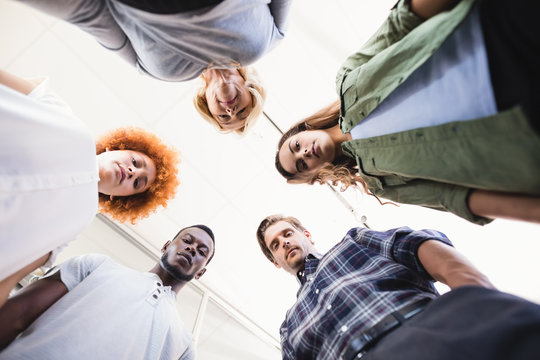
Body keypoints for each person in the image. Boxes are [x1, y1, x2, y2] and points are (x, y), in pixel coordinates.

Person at [274, 0, 540, 225]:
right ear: (313, 175)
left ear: (306, 129)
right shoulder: (382, 183)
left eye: (296, 146)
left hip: (496, 30)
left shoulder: (347, 81)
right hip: (522, 130)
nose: (304, 153)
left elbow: (404, 22)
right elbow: (454, 197)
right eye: (301, 164)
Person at [0, 69, 180, 307]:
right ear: (117, 147)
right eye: (136, 162)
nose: (132, 172)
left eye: (138, 183)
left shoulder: (77, 219)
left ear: (122, 197)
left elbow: (10, 275)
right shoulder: (64, 119)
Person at [256, 214, 540, 359]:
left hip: (435, 330)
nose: (285, 244)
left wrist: (478, 298)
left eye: (288, 234)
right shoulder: (289, 327)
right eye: (276, 245)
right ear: (275, 262)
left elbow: (415, 244)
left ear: (306, 234)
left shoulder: (353, 242)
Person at [16, 0, 290, 132]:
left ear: (206, 102)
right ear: (248, 86)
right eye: (242, 110)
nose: (231, 109)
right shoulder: (269, 40)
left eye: (224, 117)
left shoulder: (163, 71)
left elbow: (94, 17)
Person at [0, 225, 215, 359]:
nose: (192, 248)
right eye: (187, 240)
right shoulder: (97, 265)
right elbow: (18, 314)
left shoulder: (184, 347)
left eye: (202, 251)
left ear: (201, 273)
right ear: (166, 245)